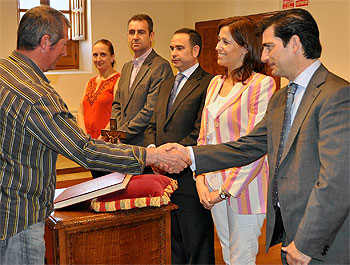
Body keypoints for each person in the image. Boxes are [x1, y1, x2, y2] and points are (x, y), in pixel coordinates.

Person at [0, 6, 190, 265]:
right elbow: (84, 149)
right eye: (64, 44)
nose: (66, 51)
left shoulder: (5, 71)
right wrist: (151, 155)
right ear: (45, 42)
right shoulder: (35, 94)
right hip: (18, 216)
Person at [170, 9, 349, 265]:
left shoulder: (337, 95)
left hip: (320, 238)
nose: (263, 56)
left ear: (295, 44)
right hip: (291, 228)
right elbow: (248, 146)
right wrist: (189, 155)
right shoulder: (281, 98)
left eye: (268, 47)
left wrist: (308, 239)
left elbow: (337, 180)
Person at [194, 17, 276, 265]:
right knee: (228, 255)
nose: (217, 46)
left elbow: (255, 146)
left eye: (224, 41)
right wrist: (200, 179)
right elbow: (203, 136)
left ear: (244, 47)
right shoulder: (214, 84)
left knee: (241, 259)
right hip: (212, 183)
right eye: (218, 40)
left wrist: (224, 191)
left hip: (244, 187)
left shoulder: (262, 84)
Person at [144, 28, 215, 264]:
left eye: (180, 48)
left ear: (195, 51)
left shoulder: (208, 83)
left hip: (189, 175)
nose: (173, 53)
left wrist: (170, 157)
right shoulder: (166, 84)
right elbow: (153, 123)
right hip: (163, 177)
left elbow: (199, 131)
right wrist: (154, 154)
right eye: (172, 48)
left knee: (196, 241)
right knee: (173, 240)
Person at [111, 14, 173, 146]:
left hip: (143, 143)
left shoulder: (160, 66)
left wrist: (123, 133)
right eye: (131, 32)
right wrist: (116, 132)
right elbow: (117, 103)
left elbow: (150, 109)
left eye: (141, 32)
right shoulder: (127, 67)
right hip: (122, 142)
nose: (135, 37)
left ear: (151, 36)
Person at [77, 39, 121, 179]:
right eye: (95, 55)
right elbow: (81, 111)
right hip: (90, 144)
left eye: (103, 54)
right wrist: (85, 138)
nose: (98, 59)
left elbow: (117, 113)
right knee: (96, 182)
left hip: (107, 144)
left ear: (112, 57)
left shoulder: (119, 79)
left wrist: (101, 139)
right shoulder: (90, 82)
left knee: (108, 186)